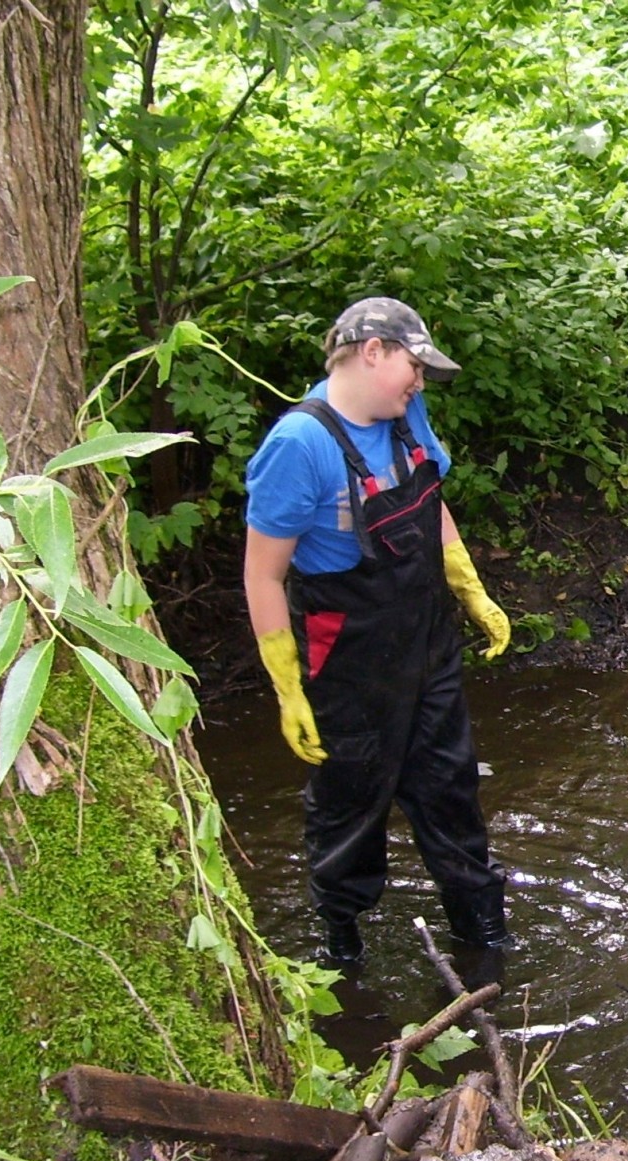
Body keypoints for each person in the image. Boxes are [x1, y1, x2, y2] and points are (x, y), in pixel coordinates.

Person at [243, 297, 513, 967]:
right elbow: (262, 576)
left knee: (451, 791)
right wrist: (287, 687)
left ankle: (484, 938)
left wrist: (469, 588)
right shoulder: (299, 446)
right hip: (349, 660)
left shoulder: (402, 416)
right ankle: (341, 954)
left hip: (429, 644)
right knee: (350, 811)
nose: (418, 383)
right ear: (372, 353)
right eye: (412, 367)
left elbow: (431, 501)